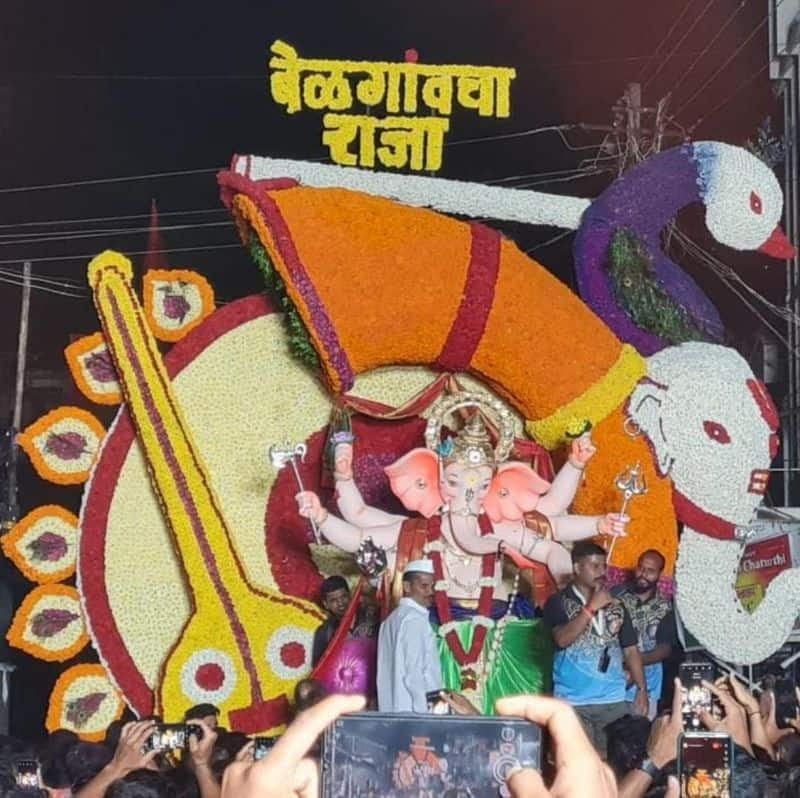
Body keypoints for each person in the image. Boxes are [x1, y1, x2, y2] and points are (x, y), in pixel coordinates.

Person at [543, 541, 648, 756]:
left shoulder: (617, 605)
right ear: (577, 568)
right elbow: (562, 639)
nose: (601, 572)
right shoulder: (558, 602)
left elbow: (631, 650)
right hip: (572, 702)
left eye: (603, 566)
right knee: (577, 768)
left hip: (613, 701)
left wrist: (642, 688)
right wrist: (591, 608)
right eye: (594, 566)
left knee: (615, 767)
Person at [613, 549, 675, 719]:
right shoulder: (616, 596)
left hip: (646, 689)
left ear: (660, 574)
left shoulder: (665, 607)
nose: (643, 574)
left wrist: (632, 662)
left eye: (650, 571)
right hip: (611, 684)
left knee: (639, 740)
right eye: (641, 568)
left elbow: (665, 649)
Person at [376, 560, 443, 713]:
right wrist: (425, 715)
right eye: (424, 586)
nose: (430, 592)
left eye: (433, 586)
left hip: (391, 711)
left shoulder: (390, 621)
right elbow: (413, 673)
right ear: (406, 587)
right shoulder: (414, 619)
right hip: (414, 712)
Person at [310, 576, 351, 667]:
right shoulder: (324, 632)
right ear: (326, 604)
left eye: (343, 596)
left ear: (350, 595)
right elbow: (318, 668)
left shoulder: (368, 619)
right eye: (334, 600)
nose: (340, 603)